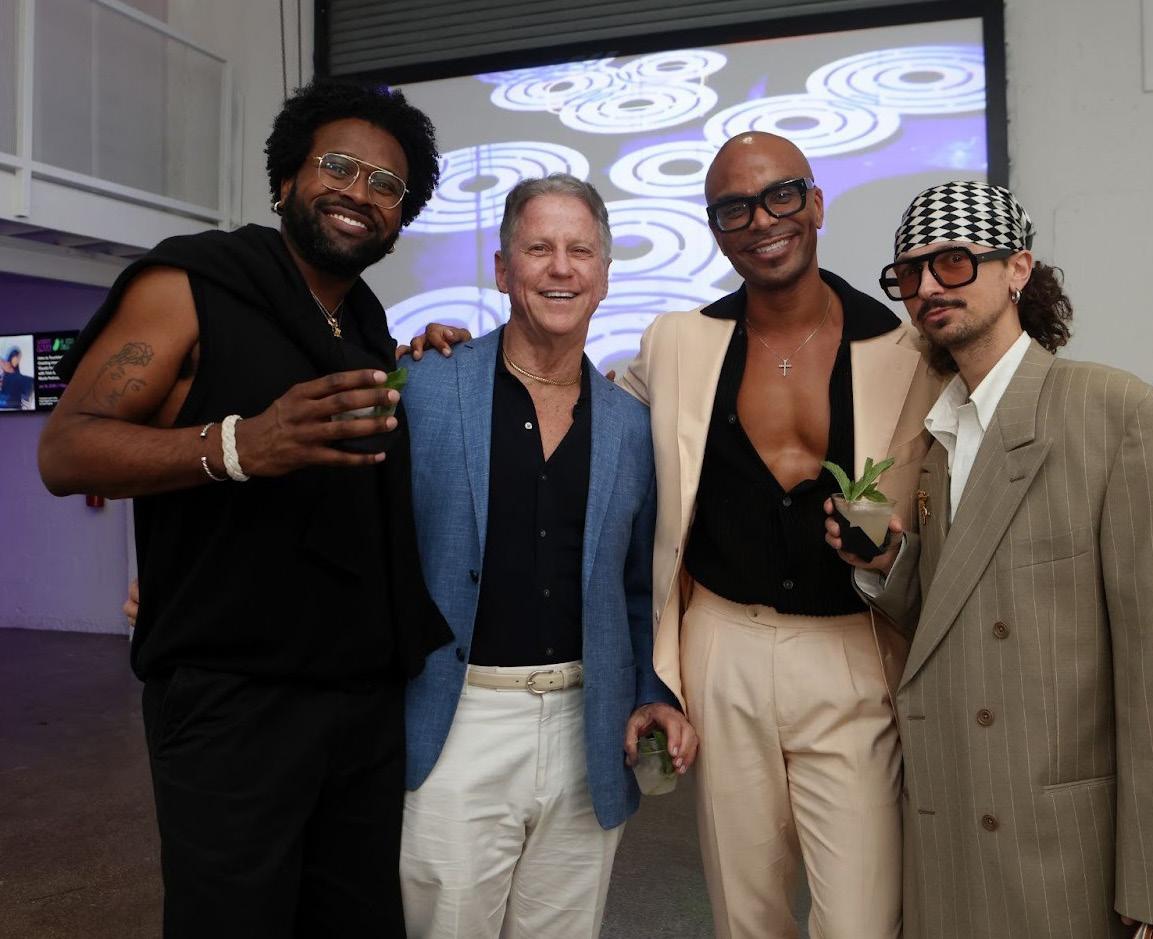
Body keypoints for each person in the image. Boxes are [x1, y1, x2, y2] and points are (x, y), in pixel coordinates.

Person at [37, 80, 462, 938]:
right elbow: (67, 449)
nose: (360, 192)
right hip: (232, 698)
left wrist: (425, 361)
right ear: (285, 180)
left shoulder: (364, 323)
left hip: (360, 698)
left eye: (387, 185)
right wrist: (238, 445)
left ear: (401, 218)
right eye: (338, 166)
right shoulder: (192, 282)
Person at [830, 181, 1153, 938]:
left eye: (952, 261)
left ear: (1018, 268)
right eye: (907, 273)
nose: (926, 287)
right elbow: (957, 617)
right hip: (947, 819)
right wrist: (889, 561)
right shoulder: (940, 440)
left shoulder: (1120, 414)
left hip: (1059, 842)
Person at [619, 132, 941, 939]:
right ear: (716, 229)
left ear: (816, 203)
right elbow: (588, 419)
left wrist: (891, 552)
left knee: (863, 916)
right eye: (734, 208)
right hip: (722, 640)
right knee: (745, 910)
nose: (761, 220)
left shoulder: (908, 348)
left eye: (781, 196)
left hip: (853, 646)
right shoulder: (677, 341)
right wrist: (470, 356)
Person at [397, 174, 697, 939]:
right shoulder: (426, 389)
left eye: (580, 250)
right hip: (454, 722)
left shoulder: (630, 426)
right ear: (504, 270)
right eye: (539, 248)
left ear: (604, 275)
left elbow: (639, 589)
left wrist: (649, 689)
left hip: (586, 727)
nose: (561, 267)